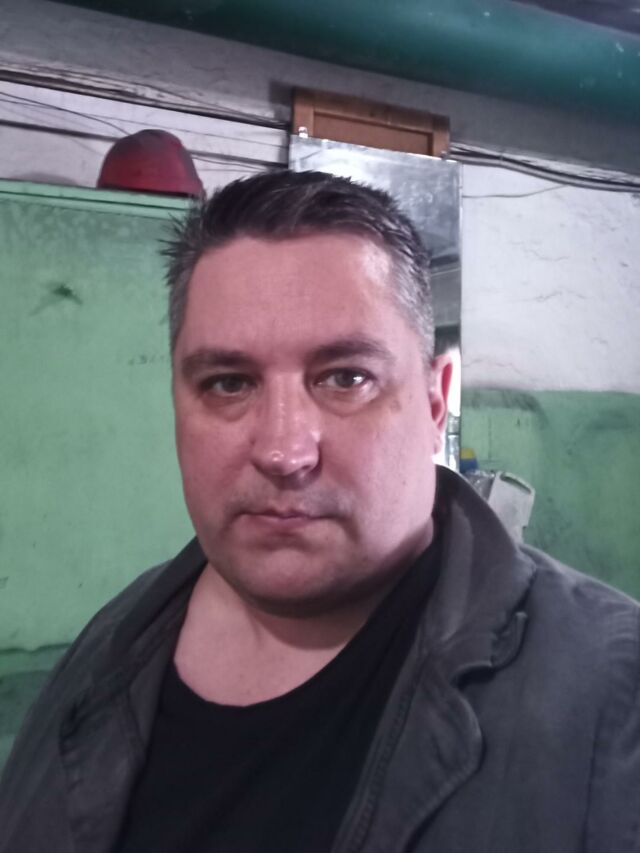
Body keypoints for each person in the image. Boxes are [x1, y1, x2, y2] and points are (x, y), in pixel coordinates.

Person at [1, 170, 638, 853]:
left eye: (346, 378)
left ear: (434, 403)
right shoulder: (113, 643)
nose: (283, 451)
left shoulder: (613, 696)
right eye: (229, 383)